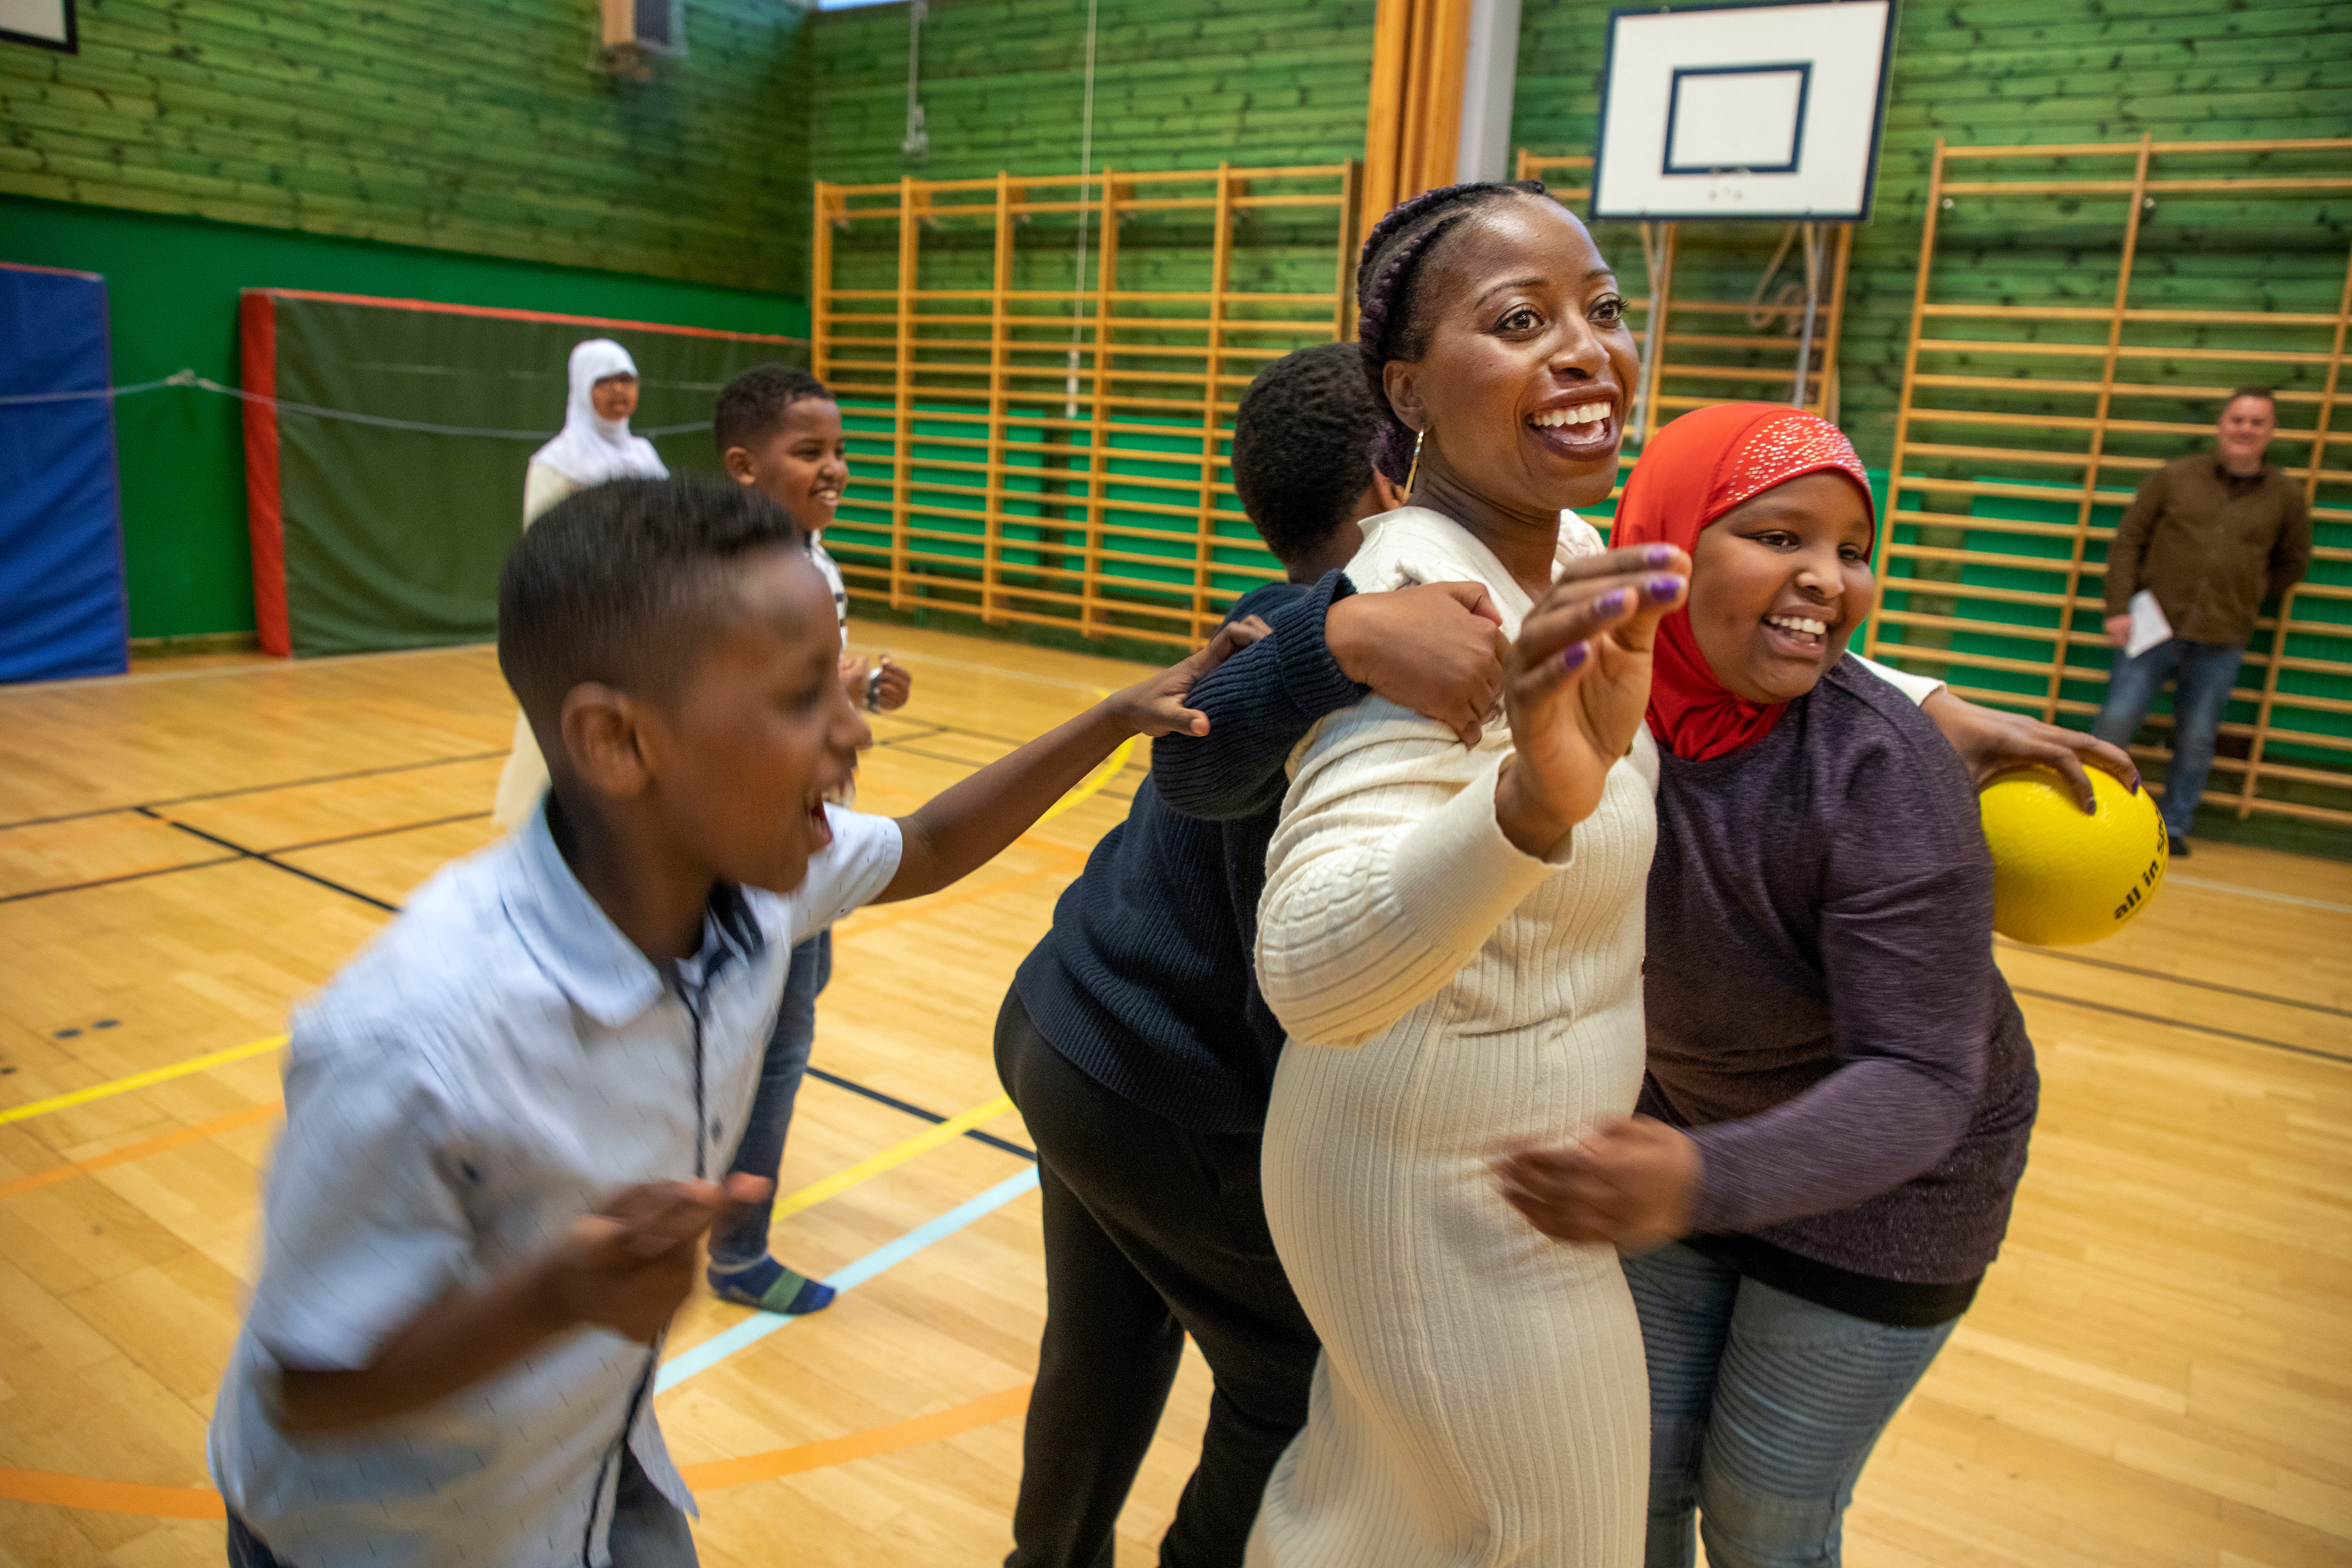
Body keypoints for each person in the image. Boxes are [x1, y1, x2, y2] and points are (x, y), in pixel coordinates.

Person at [208, 478, 1249, 1568]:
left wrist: (1116, 715)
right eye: (804, 698)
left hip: (592, 1463)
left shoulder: (746, 880)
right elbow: (309, 1383)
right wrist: (555, 1296)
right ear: (617, 742)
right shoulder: (413, 1033)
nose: (854, 731)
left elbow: (931, 844)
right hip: (389, 1537)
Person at [1493, 404, 2054, 1568]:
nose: (1828, 580)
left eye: (1851, 551)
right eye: (1782, 537)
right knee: (1625, 1476)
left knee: (1763, 1518)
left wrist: (1700, 1175)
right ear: (1668, 547)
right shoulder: (1597, 696)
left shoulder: (1881, 771)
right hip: (1689, 1135)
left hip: (1893, 1189)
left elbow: (1918, 1075)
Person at [993, 342, 1523, 1568]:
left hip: (1070, 1025)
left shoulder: (1295, 610)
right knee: (1296, 1380)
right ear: (1391, 493)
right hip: (1162, 1080)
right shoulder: (1340, 637)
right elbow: (1195, 746)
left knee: (1103, 1346)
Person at [1244, 179, 1689, 1567]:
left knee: (1371, 1520)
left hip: (1437, 1160)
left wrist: (1915, 702)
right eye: (1518, 320)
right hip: (1449, 1192)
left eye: (1602, 311)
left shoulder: (1551, 547)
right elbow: (1310, 967)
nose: (1586, 348)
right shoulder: (1423, 608)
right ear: (1408, 387)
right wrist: (1524, 805)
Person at [703, 364, 912, 1313]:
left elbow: (797, 688)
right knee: (776, 1037)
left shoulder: (811, 558)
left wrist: (854, 691)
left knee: (789, 1006)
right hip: (759, 838)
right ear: (745, 465)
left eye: (838, 449)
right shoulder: (737, 572)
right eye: (808, 452)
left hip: (804, 832)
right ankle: (737, 1246)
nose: (834, 467)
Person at [2093, 385, 2311, 854]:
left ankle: (2173, 825)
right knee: (2116, 720)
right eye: (2237, 420)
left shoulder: (2286, 495)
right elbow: (2128, 541)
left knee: (2196, 735)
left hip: (2223, 636)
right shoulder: (2173, 477)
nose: (2244, 430)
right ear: (2220, 425)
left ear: (2270, 431)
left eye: (2256, 422)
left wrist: (2244, 593)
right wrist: (2116, 608)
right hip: (2151, 625)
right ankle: (2089, 809)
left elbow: (2292, 563)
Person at [492, 338, 672, 833]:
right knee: (563, 724)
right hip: (581, 621)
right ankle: (533, 824)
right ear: (581, 388)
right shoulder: (557, 462)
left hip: (641, 620)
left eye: (627, 380)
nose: (619, 392)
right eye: (606, 382)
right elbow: (543, 543)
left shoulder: (644, 455)